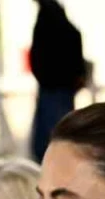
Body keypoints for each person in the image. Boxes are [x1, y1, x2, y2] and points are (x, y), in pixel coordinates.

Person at [28, 0, 87, 164]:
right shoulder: (70, 31)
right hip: (60, 88)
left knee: (55, 133)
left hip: (53, 88)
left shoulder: (48, 29)